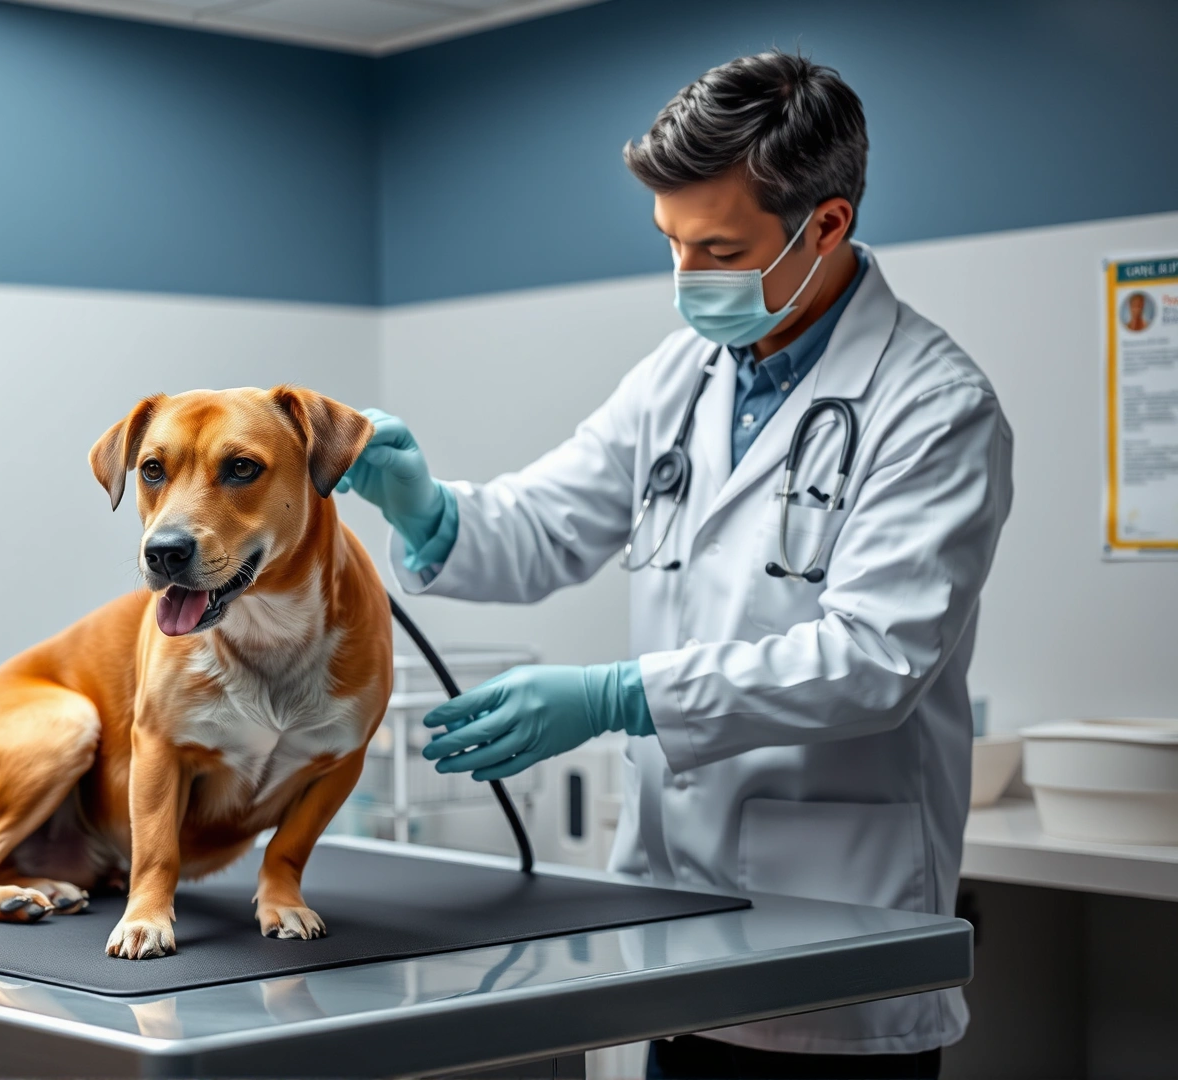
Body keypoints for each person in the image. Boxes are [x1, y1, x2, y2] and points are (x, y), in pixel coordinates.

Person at [337, 52, 1012, 1079]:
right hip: (670, 927)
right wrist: (429, 511)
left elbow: (874, 660)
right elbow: (552, 521)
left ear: (825, 224)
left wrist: (619, 696)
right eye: (672, 245)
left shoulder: (932, 404)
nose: (689, 278)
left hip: (834, 951)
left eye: (719, 248)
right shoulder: (679, 377)